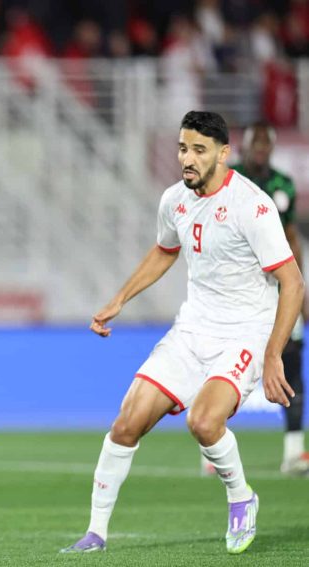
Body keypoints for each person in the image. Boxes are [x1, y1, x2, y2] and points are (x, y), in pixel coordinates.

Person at [61, 111, 304, 555]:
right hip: (192, 330)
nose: (187, 159)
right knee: (127, 423)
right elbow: (164, 250)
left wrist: (273, 354)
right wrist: (120, 299)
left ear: (223, 153)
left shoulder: (253, 206)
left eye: (199, 150)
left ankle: (241, 498)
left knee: (204, 422)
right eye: (182, 148)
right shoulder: (174, 199)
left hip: (244, 333)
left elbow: (293, 281)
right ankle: (95, 533)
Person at [234, 123, 308, 475]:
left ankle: (293, 451)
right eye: (256, 143)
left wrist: (301, 291)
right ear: (245, 146)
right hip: (238, 289)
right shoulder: (230, 179)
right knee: (221, 363)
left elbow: (292, 238)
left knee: (291, 364)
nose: (261, 149)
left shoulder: (283, 185)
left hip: (279, 289)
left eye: (267, 144)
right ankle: (211, 449)